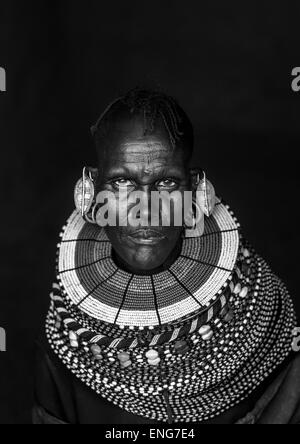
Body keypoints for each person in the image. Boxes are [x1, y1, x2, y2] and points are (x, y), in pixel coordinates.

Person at [34, 88, 300, 424]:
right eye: (120, 182)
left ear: (197, 189)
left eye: (166, 182)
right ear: (89, 188)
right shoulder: (61, 339)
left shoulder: (267, 318)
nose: (146, 210)